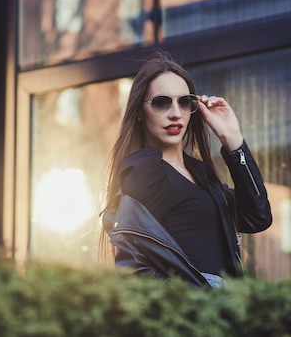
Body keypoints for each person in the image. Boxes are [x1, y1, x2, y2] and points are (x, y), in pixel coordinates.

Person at [101, 50, 272, 287]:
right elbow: (139, 263)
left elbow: (257, 218)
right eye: (161, 103)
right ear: (139, 111)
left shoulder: (202, 174)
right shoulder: (143, 169)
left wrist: (232, 138)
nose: (175, 113)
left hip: (230, 300)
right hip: (192, 304)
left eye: (184, 102)